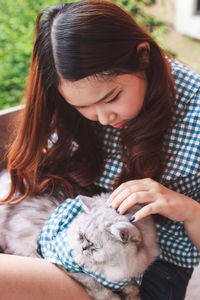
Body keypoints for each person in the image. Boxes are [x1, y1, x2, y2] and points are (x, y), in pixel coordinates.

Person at [1, 0, 199, 299]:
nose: (104, 118)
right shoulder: (73, 103)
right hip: (61, 234)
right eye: (82, 106)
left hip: (141, 269)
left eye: (111, 98)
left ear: (143, 57)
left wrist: (188, 210)